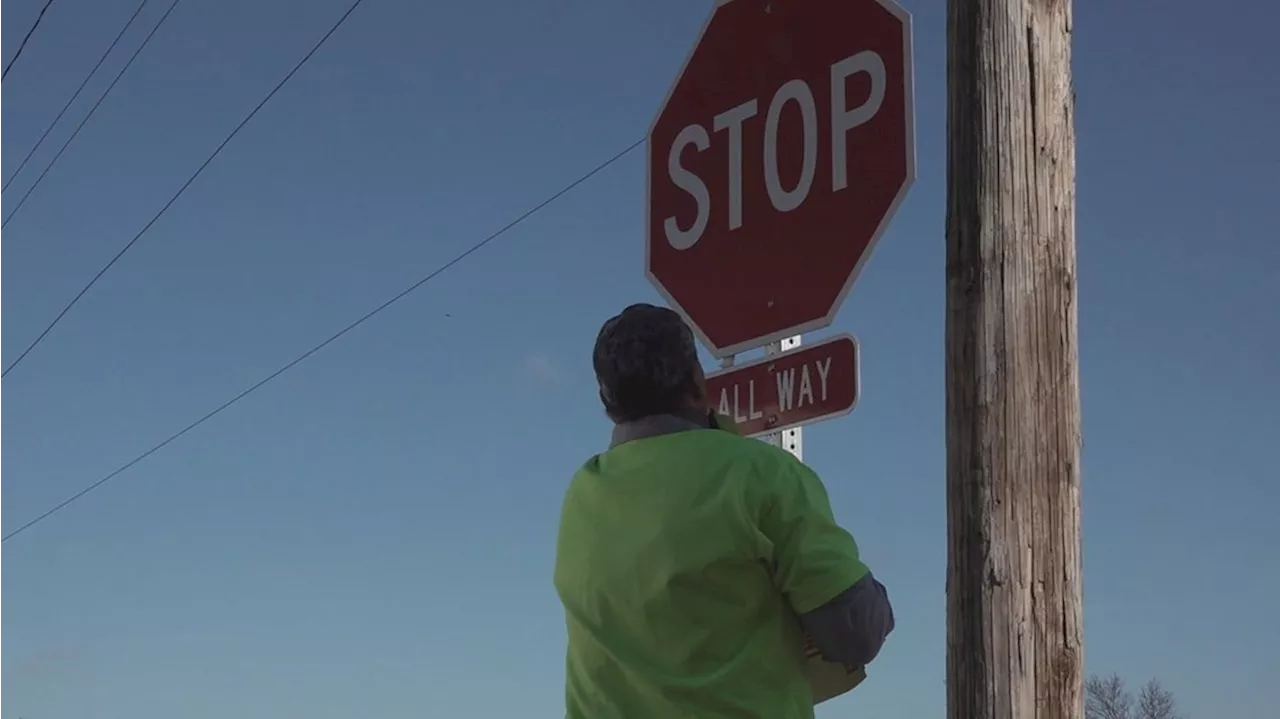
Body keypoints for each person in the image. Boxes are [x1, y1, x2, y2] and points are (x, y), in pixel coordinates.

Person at [553, 303, 894, 718]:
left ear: (608, 404)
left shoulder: (581, 493)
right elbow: (856, 634)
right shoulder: (763, 474)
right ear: (697, 382)